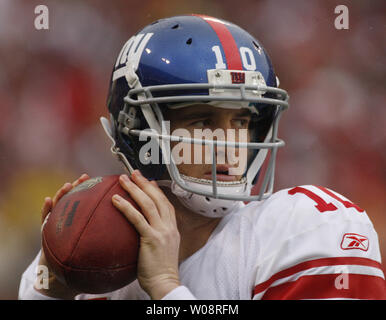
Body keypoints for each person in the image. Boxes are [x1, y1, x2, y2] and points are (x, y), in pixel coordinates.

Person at [19, 14, 385, 300]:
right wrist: (53, 287)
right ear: (137, 129)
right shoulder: (93, 259)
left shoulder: (306, 227)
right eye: (203, 120)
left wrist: (166, 288)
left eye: (241, 120)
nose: (230, 143)